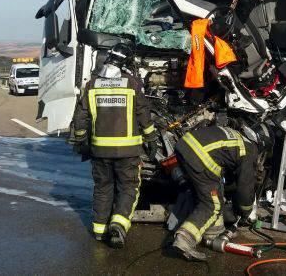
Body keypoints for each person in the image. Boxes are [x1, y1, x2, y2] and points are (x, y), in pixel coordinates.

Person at [70, 43, 160, 247]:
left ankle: (99, 231)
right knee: (128, 187)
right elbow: (143, 113)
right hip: (127, 151)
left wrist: (81, 139)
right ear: (127, 63)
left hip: (100, 150)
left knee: (103, 188)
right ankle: (118, 225)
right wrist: (151, 139)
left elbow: (81, 115)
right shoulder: (132, 83)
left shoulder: (92, 84)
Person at [171, 122, 273, 261]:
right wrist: (245, 211)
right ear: (261, 143)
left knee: (209, 194)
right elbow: (245, 188)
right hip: (200, 157)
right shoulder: (250, 150)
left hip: (184, 146)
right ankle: (185, 239)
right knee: (212, 205)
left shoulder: (237, 137)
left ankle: (212, 233)